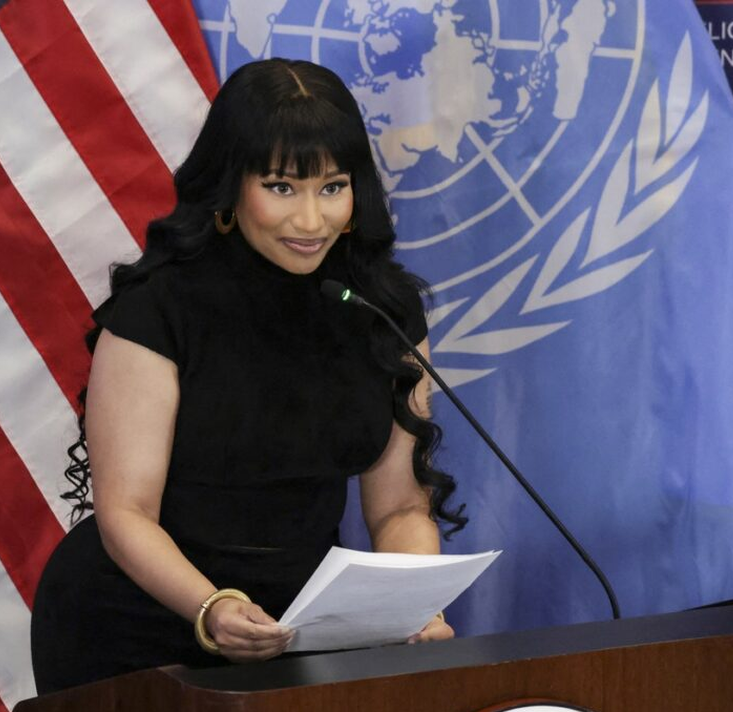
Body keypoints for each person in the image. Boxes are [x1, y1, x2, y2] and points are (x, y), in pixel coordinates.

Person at [30, 57, 467, 693]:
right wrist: (212, 608)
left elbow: (400, 505)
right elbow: (127, 512)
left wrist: (410, 603)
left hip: (301, 628)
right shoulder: (160, 308)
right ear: (232, 184)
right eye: (282, 188)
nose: (312, 221)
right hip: (137, 626)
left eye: (333, 187)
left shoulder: (383, 310)